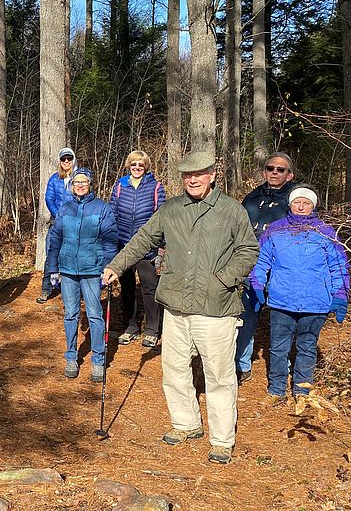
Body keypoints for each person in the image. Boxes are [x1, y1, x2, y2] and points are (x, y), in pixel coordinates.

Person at [103, 151, 259, 465]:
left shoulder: (231, 210)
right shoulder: (171, 209)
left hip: (216, 308)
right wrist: (115, 266)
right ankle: (186, 423)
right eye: (188, 175)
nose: (194, 179)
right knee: (174, 370)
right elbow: (143, 238)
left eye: (200, 173)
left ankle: (222, 440)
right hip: (175, 305)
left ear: (212, 175)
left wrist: (223, 279)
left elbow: (248, 250)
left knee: (219, 377)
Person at [249, 184, 350, 405]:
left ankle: (303, 391)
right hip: (281, 301)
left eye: (306, 202)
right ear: (290, 204)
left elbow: (339, 266)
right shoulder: (275, 230)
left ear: (313, 206)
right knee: (277, 348)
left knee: (307, 346)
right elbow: (261, 261)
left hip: (316, 303)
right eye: (297, 202)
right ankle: (276, 390)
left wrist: (341, 296)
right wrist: (257, 286)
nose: (301, 206)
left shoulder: (325, 232)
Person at [47, 167, 118, 382]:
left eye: (84, 182)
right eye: (76, 182)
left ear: (90, 185)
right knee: (70, 314)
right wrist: (52, 268)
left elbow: (110, 241)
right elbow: (55, 239)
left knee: (95, 315)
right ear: (72, 185)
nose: (80, 185)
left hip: (92, 270)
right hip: (67, 269)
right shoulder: (65, 208)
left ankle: (98, 359)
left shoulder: (101, 208)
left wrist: (107, 268)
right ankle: (71, 356)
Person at [235, 152, 296, 384]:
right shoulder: (251, 199)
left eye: (280, 169)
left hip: (283, 269)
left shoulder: (296, 201)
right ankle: (241, 364)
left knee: (283, 319)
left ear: (289, 175)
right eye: (271, 168)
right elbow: (238, 229)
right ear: (264, 172)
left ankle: (283, 369)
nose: (274, 172)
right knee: (245, 315)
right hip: (252, 266)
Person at [110, 150, 166, 348]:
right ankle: (130, 327)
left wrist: (159, 248)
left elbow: (161, 217)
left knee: (149, 288)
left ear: (146, 167)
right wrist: (112, 243)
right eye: (134, 165)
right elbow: (112, 213)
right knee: (127, 288)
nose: (137, 168)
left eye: (140, 165)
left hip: (147, 247)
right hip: (124, 245)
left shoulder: (156, 187)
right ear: (129, 165)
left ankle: (152, 329)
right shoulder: (120, 185)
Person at [37, 147, 78, 303]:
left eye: (69, 159)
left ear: (73, 160)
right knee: (51, 255)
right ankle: (46, 289)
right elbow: (49, 199)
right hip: (56, 223)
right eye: (63, 159)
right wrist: (58, 214)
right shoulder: (54, 179)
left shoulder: (79, 178)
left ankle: (72, 290)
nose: (66, 162)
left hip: (75, 224)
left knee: (73, 256)